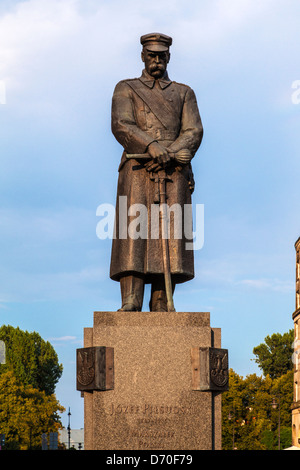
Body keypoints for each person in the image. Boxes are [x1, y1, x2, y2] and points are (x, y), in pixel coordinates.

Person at [110, 33, 203, 311]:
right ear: (142, 55)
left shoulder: (184, 93)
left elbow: (194, 130)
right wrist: (151, 146)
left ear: (169, 57)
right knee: (134, 235)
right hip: (138, 168)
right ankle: (131, 299)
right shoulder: (125, 88)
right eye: (152, 55)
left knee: (170, 234)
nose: (157, 60)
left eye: (162, 55)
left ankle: (162, 300)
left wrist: (170, 153)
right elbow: (121, 124)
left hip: (173, 170)